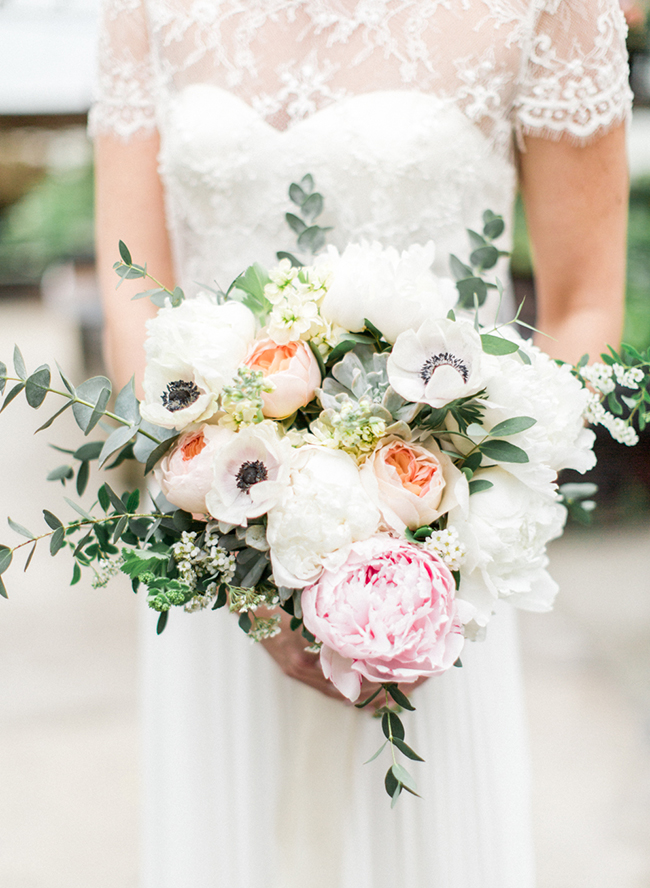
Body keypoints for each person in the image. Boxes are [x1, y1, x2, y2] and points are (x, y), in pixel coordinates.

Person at [91, 2, 631, 886]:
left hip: (426, 590)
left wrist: (448, 548)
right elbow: (131, 292)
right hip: (214, 554)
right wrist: (234, 561)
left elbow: (582, 307)